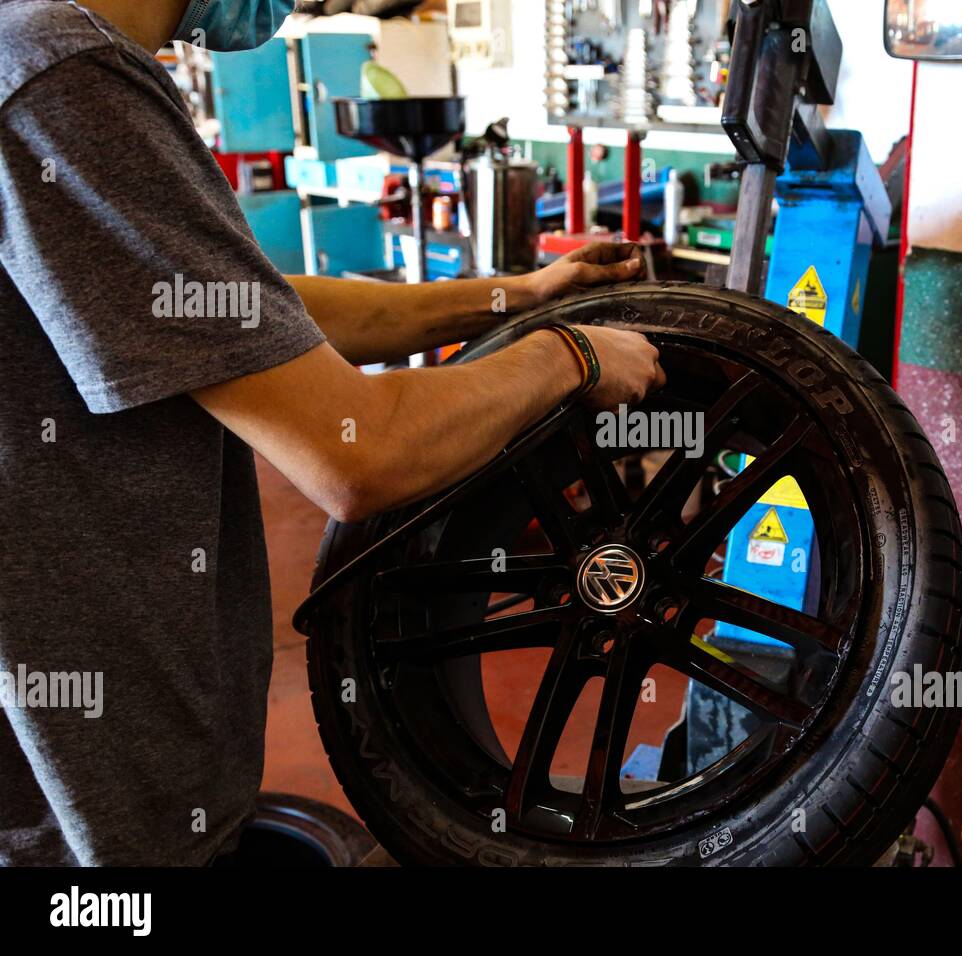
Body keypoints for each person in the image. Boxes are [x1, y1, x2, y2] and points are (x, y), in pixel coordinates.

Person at [0, 0, 663, 865]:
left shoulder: (35, 55)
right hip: (70, 811)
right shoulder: (63, 77)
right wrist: (565, 358)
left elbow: (244, 309)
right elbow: (356, 454)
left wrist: (514, 296)